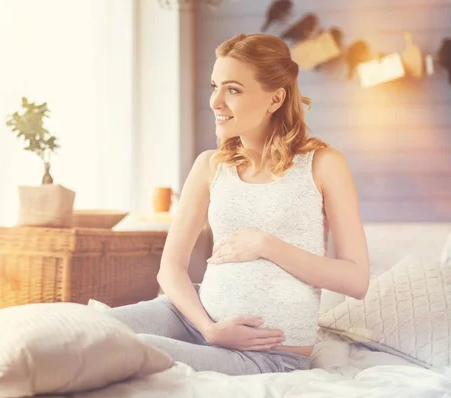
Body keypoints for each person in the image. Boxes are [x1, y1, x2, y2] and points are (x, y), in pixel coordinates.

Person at [106, 33, 370, 375]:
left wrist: (265, 244)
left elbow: (356, 280)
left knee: (126, 351)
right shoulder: (210, 166)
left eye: (233, 89)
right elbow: (170, 268)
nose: (216, 101)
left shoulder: (323, 164)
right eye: (215, 86)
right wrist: (208, 328)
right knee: (84, 328)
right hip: (193, 318)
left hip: (268, 356)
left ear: (275, 98)